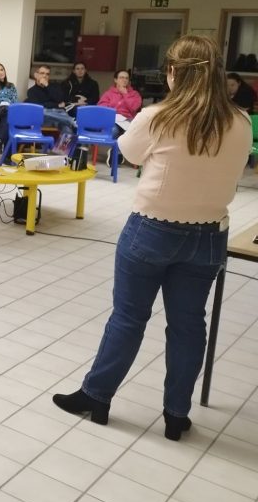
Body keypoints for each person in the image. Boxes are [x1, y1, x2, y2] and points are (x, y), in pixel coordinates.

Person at [52, 35, 251, 440]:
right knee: (188, 326)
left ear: (173, 73)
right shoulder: (241, 122)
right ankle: (176, 415)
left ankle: (97, 396)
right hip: (208, 236)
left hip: (153, 229)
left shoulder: (158, 117)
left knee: (128, 317)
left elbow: (129, 153)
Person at [25, 65, 76, 133]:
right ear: (36, 75)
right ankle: (71, 120)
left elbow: (60, 99)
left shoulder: (56, 87)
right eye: (42, 73)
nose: (45, 76)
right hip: (44, 118)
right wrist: (56, 105)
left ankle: (67, 139)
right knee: (43, 111)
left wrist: (47, 85)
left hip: (58, 115)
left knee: (66, 127)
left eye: (47, 74)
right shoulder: (31, 91)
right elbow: (38, 107)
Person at [98, 70, 143, 138]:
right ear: (115, 80)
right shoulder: (108, 93)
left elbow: (134, 108)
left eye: (126, 78)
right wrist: (114, 112)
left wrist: (125, 94)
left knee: (130, 135)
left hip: (128, 120)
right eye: (121, 77)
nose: (124, 80)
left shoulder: (135, 94)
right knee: (113, 130)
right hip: (112, 119)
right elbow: (101, 108)